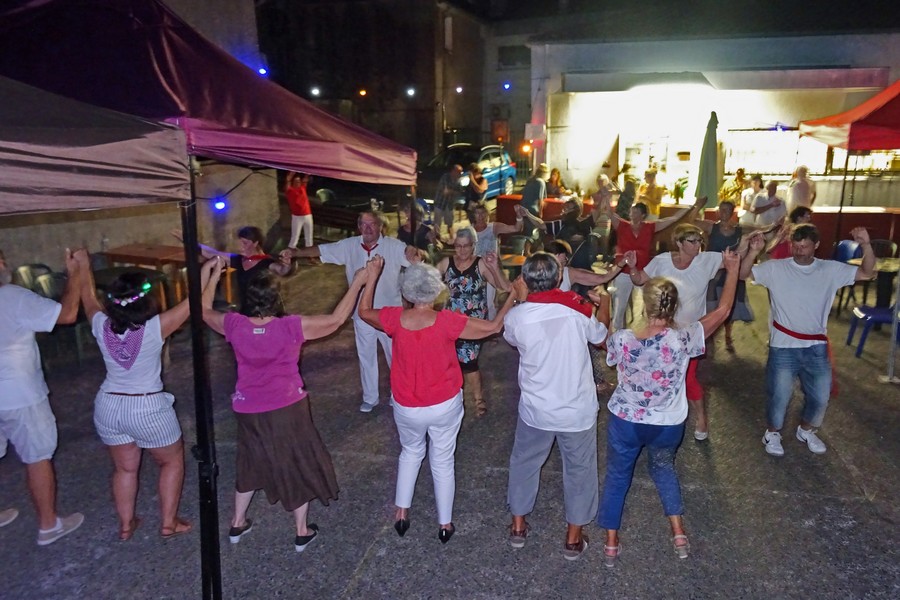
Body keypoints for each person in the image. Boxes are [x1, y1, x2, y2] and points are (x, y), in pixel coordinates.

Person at [202, 257, 368, 551]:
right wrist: (359, 281)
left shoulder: (234, 324)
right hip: (286, 406)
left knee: (250, 460)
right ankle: (301, 531)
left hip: (246, 407)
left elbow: (203, 312)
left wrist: (210, 276)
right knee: (295, 461)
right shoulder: (289, 327)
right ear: (277, 298)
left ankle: (237, 524)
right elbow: (335, 320)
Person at [598, 248, 741, 567]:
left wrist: (604, 302)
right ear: (673, 306)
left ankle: (610, 544)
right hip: (668, 425)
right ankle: (678, 534)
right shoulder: (685, 338)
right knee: (664, 468)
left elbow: (600, 337)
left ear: (644, 304)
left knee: (618, 476)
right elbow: (725, 308)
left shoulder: (623, 339)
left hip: (626, 420)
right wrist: (733, 268)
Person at [358, 257, 517, 544]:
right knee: (442, 461)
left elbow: (364, 311)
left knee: (410, 453)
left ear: (407, 293)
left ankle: (402, 513)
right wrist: (514, 296)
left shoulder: (394, 318)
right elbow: (494, 327)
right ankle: (445, 523)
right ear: (437, 291)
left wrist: (372, 276)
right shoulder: (448, 322)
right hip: (444, 404)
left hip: (407, 405)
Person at [76, 249, 209, 541]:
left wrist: (83, 266)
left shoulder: (101, 325)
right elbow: (194, 300)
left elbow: (87, 296)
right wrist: (208, 269)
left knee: (125, 468)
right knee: (171, 461)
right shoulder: (154, 328)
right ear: (147, 300)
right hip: (147, 406)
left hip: (109, 404)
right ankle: (168, 522)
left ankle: (126, 525)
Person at [503, 252, 610, 561]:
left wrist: (519, 299)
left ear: (524, 280)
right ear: (557, 277)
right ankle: (573, 539)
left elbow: (511, 336)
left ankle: (518, 527)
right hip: (575, 409)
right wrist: (604, 305)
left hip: (536, 409)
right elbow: (601, 336)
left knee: (524, 463)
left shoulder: (517, 316)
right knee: (579, 470)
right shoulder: (576, 309)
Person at [741, 225, 875, 457]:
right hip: (783, 345)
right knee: (779, 395)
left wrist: (865, 245)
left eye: (804, 246)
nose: (799, 250)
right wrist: (753, 252)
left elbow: (867, 273)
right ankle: (772, 433)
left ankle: (806, 429)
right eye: (796, 245)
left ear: (816, 246)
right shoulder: (777, 268)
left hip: (816, 346)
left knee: (820, 396)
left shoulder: (829, 269)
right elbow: (743, 274)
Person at [282, 211, 422, 413]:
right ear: (358, 227)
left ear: (380, 226)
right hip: (361, 314)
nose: (368, 229)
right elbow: (321, 249)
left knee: (396, 356)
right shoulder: (349, 245)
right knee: (366, 357)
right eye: (363, 225)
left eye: (372, 224)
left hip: (389, 314)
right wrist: (294, 253)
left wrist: (415, 252)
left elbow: (415, 260)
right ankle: (370, 398)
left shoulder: (393, 246)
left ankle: (398, 394)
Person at [0, 249, 85, 546]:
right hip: (20, 394)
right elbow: (67, 314)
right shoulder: (12, 296)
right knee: (38, 457)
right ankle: (49, 525)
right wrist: (75, 274)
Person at [629, 223, 726, 441]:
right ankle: (657, 418)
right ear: (680, 243)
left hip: (688, 335)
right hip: (661, 334)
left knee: (688, 378)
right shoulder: (662, 261)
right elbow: (639, 279)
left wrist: (750, 246)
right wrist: (633, 267)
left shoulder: (706, 260)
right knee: (658, 377)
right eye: (692, 241)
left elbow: (734, 258)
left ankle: (701, 418)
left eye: (700, 240)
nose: (698, 245)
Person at [436, 227, 511, 416]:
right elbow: (428, 282)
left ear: (473, 246)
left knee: (468, 360)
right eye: (458, 246)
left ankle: (478, 399)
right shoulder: (446, 263)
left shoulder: (480, 264)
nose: (461, 251)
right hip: (450, 320)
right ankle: (451, 397)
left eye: (466, 246)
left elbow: (503, 287)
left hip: (473, 322)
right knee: (448, 359)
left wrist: (494, 268)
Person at [601, 195, 706, 330]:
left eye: (636, 212)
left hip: (645, 272)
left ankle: (650, 336)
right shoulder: (622, 225)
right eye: (632, 211)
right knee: (619, 309)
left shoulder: (650, 228)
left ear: (643, 215)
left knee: (652, 307)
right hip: (624, 271)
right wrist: (605, 193)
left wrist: (691, 205)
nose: (633, 214)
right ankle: (618, 340)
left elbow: (672, 219)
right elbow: (609, 212)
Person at [172, 225, 291, 309]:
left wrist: (287, 264)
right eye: (240, 242)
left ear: (256, 243)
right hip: (247, 310)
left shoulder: (266, 262)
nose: (240, 246)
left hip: (268, 311)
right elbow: (210, 253)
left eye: (245, 243)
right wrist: (189, 241)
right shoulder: (239, 260)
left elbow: (282, 270)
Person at [695, 201, 753, 352]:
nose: (724, 212)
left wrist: (774, 225)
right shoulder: (711, 226)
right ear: (718, 212)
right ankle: (710, 334)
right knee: (711, 303)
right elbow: (692, 220)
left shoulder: (739, 229)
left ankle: (728, 334)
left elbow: (760, 230)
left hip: (731, 271)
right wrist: (697, 204)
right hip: (713, 272)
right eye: (722, 209)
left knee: (730, 303)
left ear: (732, 211)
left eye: (727, 210)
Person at [519, 196, 602, 269]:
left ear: (574, 210)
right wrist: (604, 198)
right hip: (584, 265)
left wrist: (527, 213)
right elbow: (597, 213)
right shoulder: (586, 223)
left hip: (564, 265)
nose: (564, 209)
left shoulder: (562, 224)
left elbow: (541, 224)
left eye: (568, 207)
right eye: (565, 206)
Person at [519, 163, 549, 240]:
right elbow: (540, 200)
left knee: (527, 231)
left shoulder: (530, 180)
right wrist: (540, 213)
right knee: (533, 232)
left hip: (523, 208)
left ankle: (525, 249)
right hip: (532, 210)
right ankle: (530, 249)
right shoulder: (541, 182)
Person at [434, 164, 464, 237]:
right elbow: (445, 192)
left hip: (449, 204)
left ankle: (451, 239)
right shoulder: (445, 177)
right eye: (459, 172)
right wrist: (454, 192)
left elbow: (460, 192)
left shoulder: (458, 180)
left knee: (450, 223)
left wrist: (451, 191)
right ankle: (437, 240)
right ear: (453, 171)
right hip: (440, 203)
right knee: (437, 223)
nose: (460, 174)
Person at [285, 172, 314, 250]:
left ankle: (310, 255)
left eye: (298, 181)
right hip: (297, 217)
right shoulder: (290, 191)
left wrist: (307, 171)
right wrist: (290, 176)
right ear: (293, 183)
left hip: (308, 215)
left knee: (309, 237)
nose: (297, 183)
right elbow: (288, 180)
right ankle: (289, 253)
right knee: (295, 237)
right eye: (295, 182)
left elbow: (306, 178)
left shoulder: (302, 188)